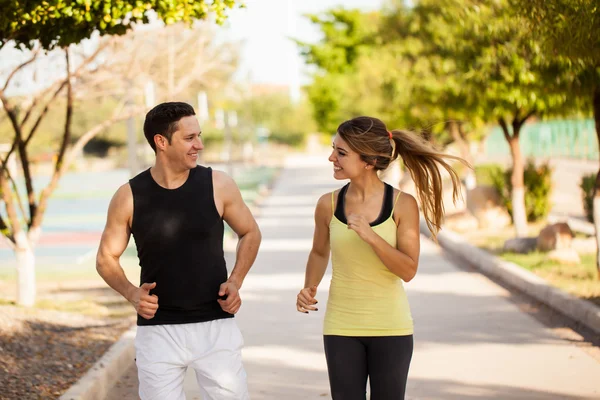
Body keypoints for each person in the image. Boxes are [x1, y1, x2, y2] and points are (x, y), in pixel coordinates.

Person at [96, 102, 261, 400]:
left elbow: (250, 232)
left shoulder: (218, 184)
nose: (199, 145)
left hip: (215, 325)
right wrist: (132, 294)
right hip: (158, 330)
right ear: (161, 142)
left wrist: (235, 281)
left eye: (198, 136)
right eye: (189, 138)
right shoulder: (129, 196)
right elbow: (106, 258)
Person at [296, 116, 467, 399]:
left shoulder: (402, 205)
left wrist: (371, 236)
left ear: (368, 161)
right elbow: (319, 251)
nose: (331, 158)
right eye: (333, 149)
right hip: (341, 326)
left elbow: (408, 270)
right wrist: (308, 286)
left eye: (341, 153)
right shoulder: (328, 204)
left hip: (391, 328)